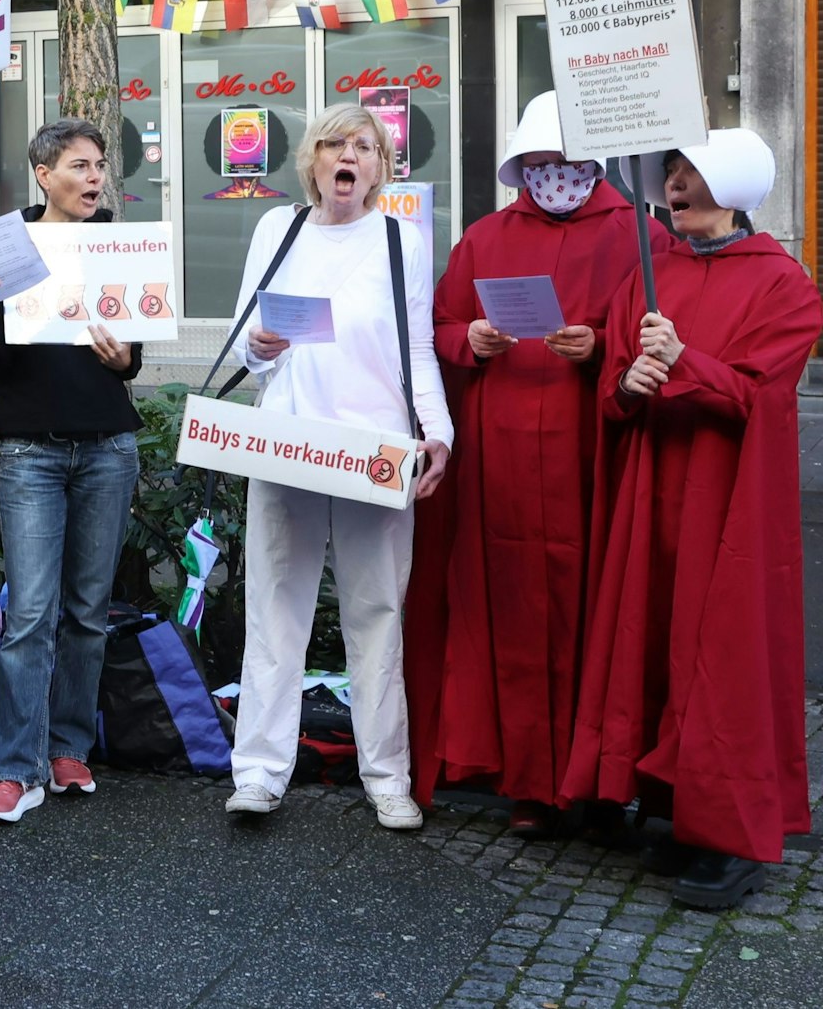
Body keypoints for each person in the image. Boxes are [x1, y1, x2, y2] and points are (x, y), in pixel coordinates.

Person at [562, 129, 819, 909]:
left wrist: (682, 360)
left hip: (723, 500)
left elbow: (760, 398)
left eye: (690, 174)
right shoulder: (652, 271)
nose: (673, 186)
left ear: (731, 187)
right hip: (650, 491)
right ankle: (666, 797)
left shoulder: (786, 285)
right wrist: (630, 381)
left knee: (719, 648)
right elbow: (613, 390)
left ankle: (728, 829)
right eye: (670, 173)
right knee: (651, 637)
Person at [404, 92, 661, 837]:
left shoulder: (639, 235)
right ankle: (524, 779)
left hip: (591, 451)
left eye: (565, 162)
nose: (555, 175)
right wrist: (469, 341)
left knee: (596, 610)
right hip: (500, 460)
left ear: (591, 165)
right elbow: (440, 325)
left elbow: (659, 331)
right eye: (540, 164)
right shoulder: (485, 237)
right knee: (509, 608)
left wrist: (603, 348)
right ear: (523, 168)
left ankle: (599, 784)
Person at [223, 103, 453, 830]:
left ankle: (388, 777)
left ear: (382, 168)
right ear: (313, 162)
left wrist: (437, 430)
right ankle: (258, 772)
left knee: (379, 615)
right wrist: (260, 347)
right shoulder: (276, 229)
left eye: (366, 146)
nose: (349, 156)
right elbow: (241, 347)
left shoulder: (399, 239)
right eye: (335, 144)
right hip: (287, 443)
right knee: (273, 613)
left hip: (373, 452)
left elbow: (416, 346)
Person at [0, 119, 141, 823]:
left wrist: (123, 358)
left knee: (87, 613)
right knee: (30, 613)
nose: (95, 178)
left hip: (107, 446)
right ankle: (15, 768)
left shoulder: (116, 241)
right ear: (43, 174)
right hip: (31, 450)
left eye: (99, 166)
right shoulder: (10, 245)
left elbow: (134, 358)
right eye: (79, 166)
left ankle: (68, 749)